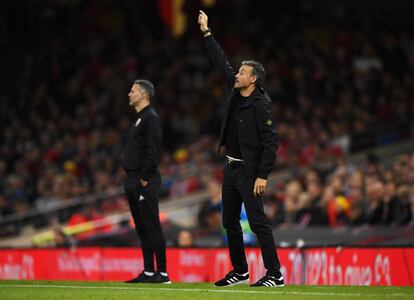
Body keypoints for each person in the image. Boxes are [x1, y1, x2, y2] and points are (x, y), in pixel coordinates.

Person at [198, 11, 284, 287]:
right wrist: (207, 32)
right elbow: (220, 63)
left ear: (254, 79)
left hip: (249, 171)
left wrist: (262, 175)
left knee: (258, 222)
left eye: (243, 72)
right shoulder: (236, 91)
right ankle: (240, 270)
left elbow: (271, 141)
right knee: (229, 222)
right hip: (232, 167)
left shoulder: (260, 104)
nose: (237, 73)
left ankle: (275, 274)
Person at [123, 79, 170, 284]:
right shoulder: (140, 118)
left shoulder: (151, 118)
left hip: (145, 180)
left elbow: (154, 151)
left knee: (152, 226)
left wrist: (143, 178)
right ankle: (149, 271)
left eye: (132, 91)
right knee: (141, 227)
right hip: (133, 178)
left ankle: (163, 273)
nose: (129, 94)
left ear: (143, 94)